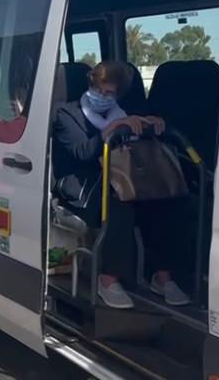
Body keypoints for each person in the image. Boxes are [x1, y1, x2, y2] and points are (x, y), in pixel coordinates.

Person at [52, 61, 190, 309]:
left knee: (161, 199)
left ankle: (162, 276)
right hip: (82, 182)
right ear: (91, 84)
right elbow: (81, 152)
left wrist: (148, 126)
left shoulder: (124, 112)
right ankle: (108, 279)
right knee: (120, 202)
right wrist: (111, 129)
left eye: (110, 94)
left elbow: (134, 147)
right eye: (99, 90)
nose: (103, 97)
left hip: (119, 175)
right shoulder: (66, 113)